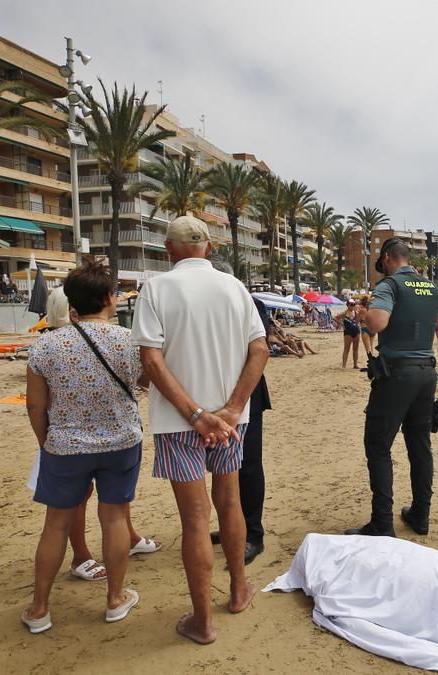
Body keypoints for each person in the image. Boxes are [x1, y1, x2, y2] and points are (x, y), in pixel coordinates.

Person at [131, 215, 269, 644]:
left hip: (178, 423)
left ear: (168, 249)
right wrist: (230, 409)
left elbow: (151, 362)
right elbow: (260, 350)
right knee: (229, 503)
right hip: (229, 423)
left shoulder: (156, 288)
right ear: (208, 247)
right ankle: (239, 589)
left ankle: (203, 620)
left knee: (194, 519)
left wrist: (194, 415)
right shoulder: (235, 288)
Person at [22, 261, 148, 634]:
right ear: (110, 299)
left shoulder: (45, 346)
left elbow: (35, 405)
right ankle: (115, 598)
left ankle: (40, 608)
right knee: (114, 518)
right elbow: (146, 383)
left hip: (64, 445)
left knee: (55, 525)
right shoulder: (129, 341)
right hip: (121, 442)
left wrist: (47, 443)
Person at [346, 237, 438, 538]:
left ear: (390, 258)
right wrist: (418, 320)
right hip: (426, 374)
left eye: (384, 264)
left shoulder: (389, 286)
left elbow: (377, 322)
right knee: (419, 445)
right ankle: (420, 516)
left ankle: (382, 524)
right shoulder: (428, 285)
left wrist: (364, 315)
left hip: (397, 374)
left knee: (378, 446)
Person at [210, 298, 273, 566]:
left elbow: (260, 349)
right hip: (212, 392)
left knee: (247, 464)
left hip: (246, 394)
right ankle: (231, 524)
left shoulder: (251, 303)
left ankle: (253, 534)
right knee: (221, 466)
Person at [340, 300, 361, 369]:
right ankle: (344, 365)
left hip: (356, 331)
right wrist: (342, 325)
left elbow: (359, 320)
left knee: (356, 348)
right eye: (351, 305)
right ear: (347, 305)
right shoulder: (344, 313)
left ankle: (355, 364)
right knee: (347, 348)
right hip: (348, 332)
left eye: (353, 304)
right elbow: (335, 318)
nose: (352, 306)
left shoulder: (356, 312)